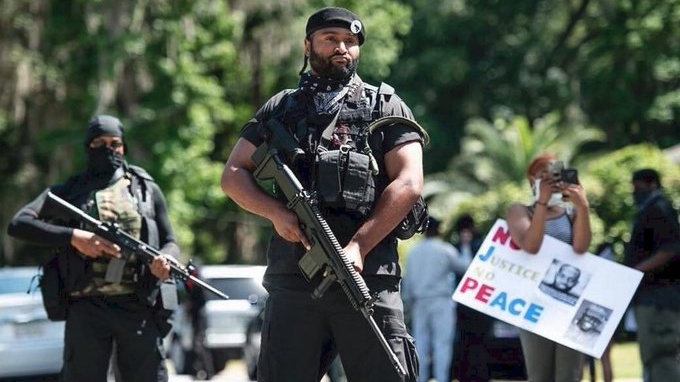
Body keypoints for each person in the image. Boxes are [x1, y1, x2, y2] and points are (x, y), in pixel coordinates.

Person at [220, 6, 424, 381]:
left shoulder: (384, 105)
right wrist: (276, 214)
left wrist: (359, 246)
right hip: (295, 279)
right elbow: (234, 174)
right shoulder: (281, 108)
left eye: (351, 41)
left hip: (368, 278)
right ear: (307, 45)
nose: (342, 48)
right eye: (331, 39)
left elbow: (409, 182)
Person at [6, 115, 179, 382]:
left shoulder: (145, 189)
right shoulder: (70, 192)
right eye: (100, 142)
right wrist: (75, 237)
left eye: (115, 143)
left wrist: (165, 260)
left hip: (138, 303)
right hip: (86, 306)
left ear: (124, 147)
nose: (109, 150)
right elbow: (19, 223)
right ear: (88, 146)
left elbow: (170, 240)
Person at [505, 152, 592, 382]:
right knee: (540, 374)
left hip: (568, 304)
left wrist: (582, 207)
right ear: (531, 181)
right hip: (534, 303)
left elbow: (581, 247)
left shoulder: (570, 213)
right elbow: (531, 246)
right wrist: (542, 203)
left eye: (553, 175)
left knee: (569, 374)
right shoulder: (520, 211)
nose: (549, 181)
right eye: (542, 176)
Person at [623, 168, 680, 382]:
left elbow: (671, 249)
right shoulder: (653, 209)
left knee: (661, 356)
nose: (635, 192)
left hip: (659, 300)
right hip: (653, 297)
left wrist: (635, 271)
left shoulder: (659, 209)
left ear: (652, 184)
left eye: (638, 187)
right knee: (654, 358)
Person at [402, 217, 469, 382]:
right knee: (442, 344)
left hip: (419, 302)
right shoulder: (445, 249)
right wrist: (466, 245)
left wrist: (407, 304)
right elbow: (465, 266)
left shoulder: (414, 252)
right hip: (441, 301)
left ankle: (420, 379)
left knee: (421, 344)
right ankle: (441, 379)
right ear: (439, 230)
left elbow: (408, 281)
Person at [450, 213, 494, 382]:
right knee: (464, 343)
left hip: (480, 305)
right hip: (462, 306)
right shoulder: (454, 249)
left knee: (481, 343)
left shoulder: (481, 247)